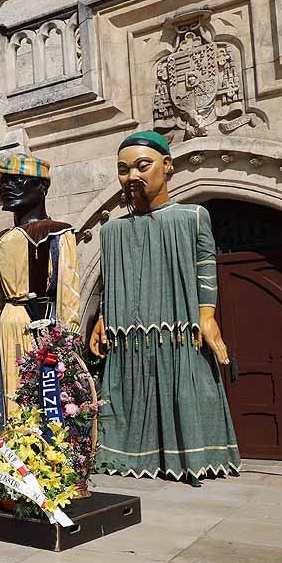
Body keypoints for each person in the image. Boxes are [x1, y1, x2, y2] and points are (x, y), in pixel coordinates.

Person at [89, 131, 239, 486]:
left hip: (179, 329)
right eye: (123, 170)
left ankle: (192, 457)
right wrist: (104, 317)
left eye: (143, 165)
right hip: (128, 335)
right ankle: (127, 455)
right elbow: (110, 280)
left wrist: (206, 315)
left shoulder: (193, 216)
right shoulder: (112, 231)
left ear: (167, 165)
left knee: (187, 387)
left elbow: (206, 265)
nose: (132, 177)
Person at [0, 154, 80, 417]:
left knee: (45, 396)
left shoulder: (58, 233)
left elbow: (68, 290)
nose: (7, 187)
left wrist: (67, 342)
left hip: (43, 324)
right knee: (7, 395)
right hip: (7, 326)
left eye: (18, 180)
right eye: (4, 182)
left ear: (42, 187)